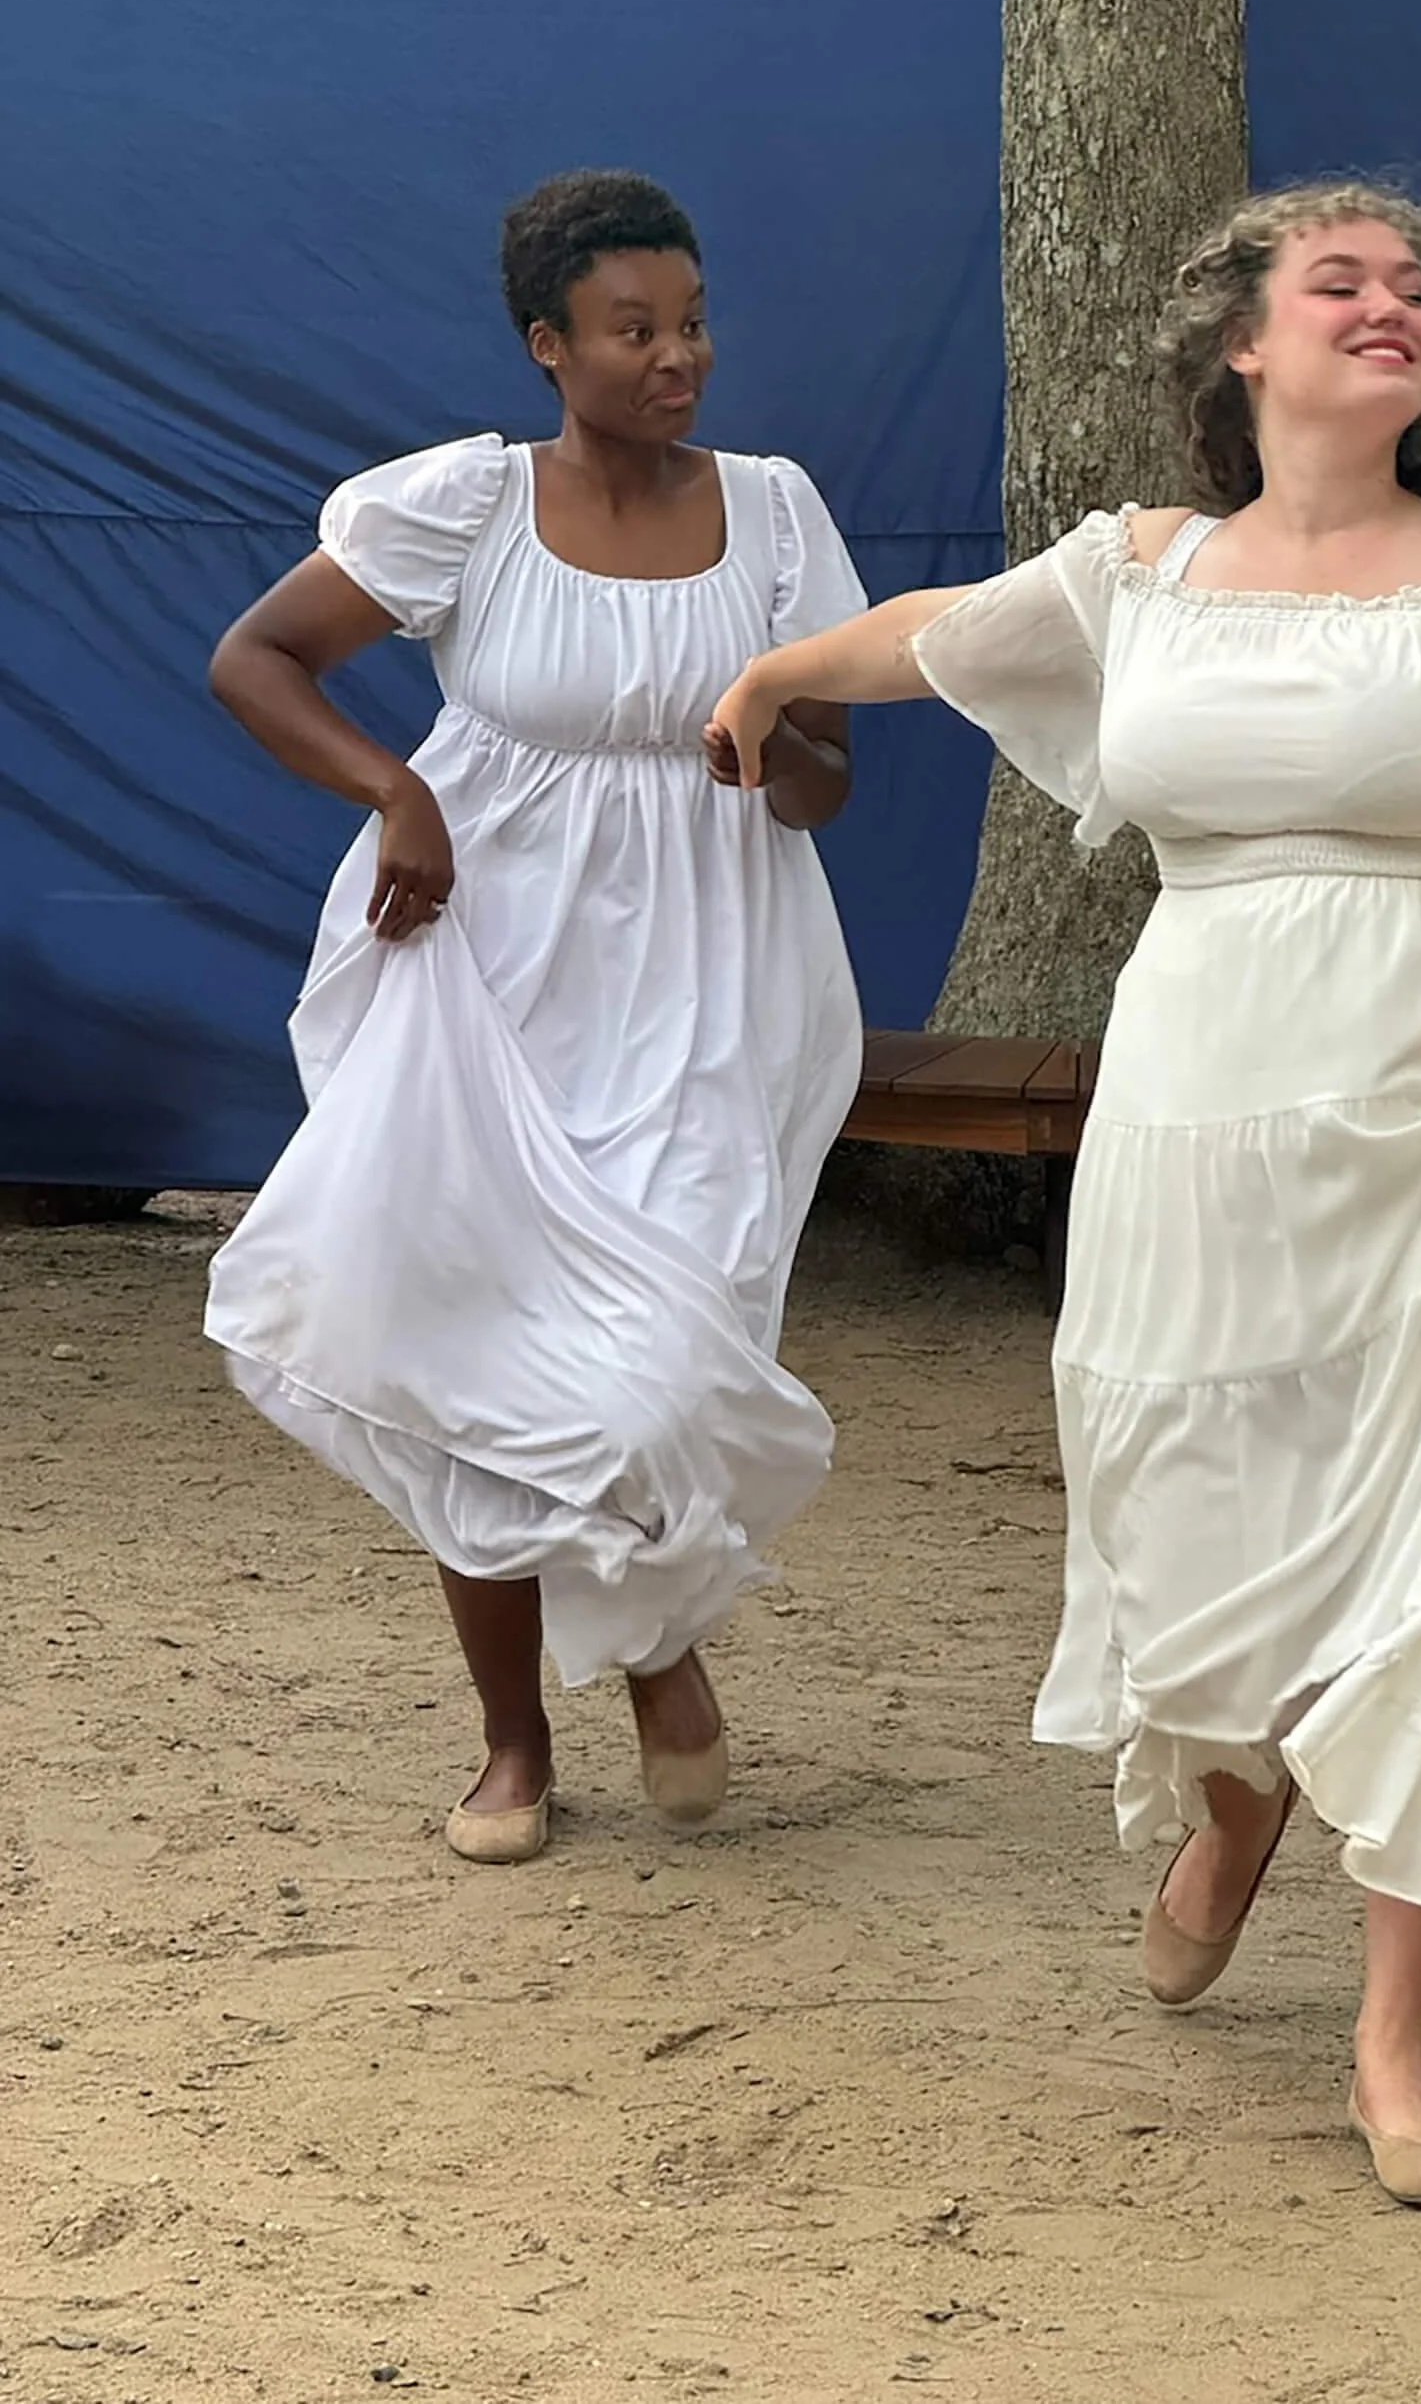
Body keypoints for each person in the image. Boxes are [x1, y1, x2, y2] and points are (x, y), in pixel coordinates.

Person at [704, 178, 1421, 2207]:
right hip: (1198, 1097)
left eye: (1414, 291)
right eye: (1340, 283)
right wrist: (777, 678)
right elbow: (940, 637)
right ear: (1245, 347)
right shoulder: (1144, 571)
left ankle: (1393, 2046)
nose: (1391, 309)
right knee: (1194, 1498)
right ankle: (1231, 1804)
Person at [206, 169, 864, 1866]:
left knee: (672, 1340)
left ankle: (655, 1643)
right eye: (635, 329)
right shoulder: (465, 509)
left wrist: (770, 745)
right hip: (488, 966)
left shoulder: (778, 514)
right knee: (474, 1341)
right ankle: (515, 1741)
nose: (679, 357)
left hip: (717, 978)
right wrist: (394, 795)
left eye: (694, 321)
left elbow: (829, 785)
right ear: (545, 347)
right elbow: (258, 661)